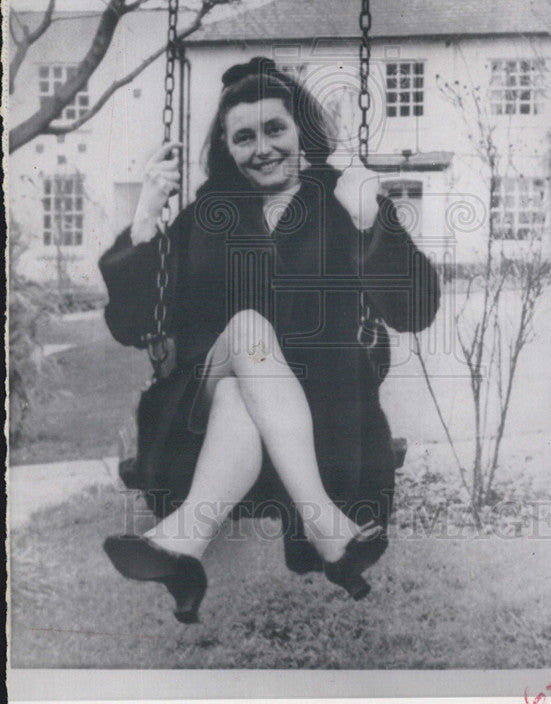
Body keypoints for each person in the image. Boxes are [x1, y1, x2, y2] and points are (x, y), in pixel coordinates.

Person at [100, 57, 440, 622]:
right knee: (250, 331)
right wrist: (143, 222)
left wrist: (367, 225)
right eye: (244, 137)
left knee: (242, 392)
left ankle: (183, 546)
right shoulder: (207, 213)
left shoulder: (341, 198)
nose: (262, 148)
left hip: (324, 403)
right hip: (196, 407)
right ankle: (328, 526)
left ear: (300, 131)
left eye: (274, 129)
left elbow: (417, 310)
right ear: (226, 147)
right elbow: (132, 325)